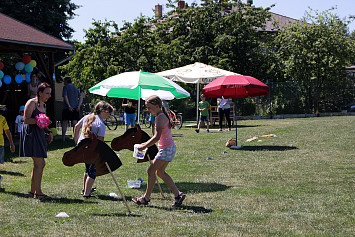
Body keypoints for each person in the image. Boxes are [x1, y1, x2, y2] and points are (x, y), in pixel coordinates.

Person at [132, 95, 185, 207]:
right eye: (146, 107)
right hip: (168, 148)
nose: (148, 110)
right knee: (160, 172)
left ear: (157, 106)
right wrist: (144, 144)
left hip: (166, 149)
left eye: (149, 107)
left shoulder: (160, 118)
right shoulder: (161, 115)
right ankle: (178, 195)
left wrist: (144, 146)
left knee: (151, 171)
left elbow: (157, 137)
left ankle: (146, 198)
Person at [19, 82, 53, 200]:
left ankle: (32, 192)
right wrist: (40, 121)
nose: (49, 96)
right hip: (31, 135)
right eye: (47, 93)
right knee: (39, 163)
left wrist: (48, 131)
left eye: (50, 94)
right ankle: (38, 193)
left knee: (40, 164)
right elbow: (26, 119)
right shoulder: (31, 103)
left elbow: (43, 122)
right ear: (40, 92)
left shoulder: (43, 105)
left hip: (39, 134)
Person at [73, 101, 113, 200]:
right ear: (103, 111)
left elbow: (76, 126)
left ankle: (85, 189)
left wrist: (76, 141)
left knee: (88, 169)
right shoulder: (101, 125)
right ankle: (86, 194)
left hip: (82, 148)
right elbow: (100, 142)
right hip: (92, 150)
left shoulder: (87, 117)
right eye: (108, 112)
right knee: (92, 172)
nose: (109, 115)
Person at [62, 77, 82, 142]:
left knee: (65, 122)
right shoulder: (75, 88)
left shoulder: (65, 87)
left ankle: (63, 138)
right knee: (75, 123)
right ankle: (75, 138)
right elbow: (81, 97)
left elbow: (65, 96)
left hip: (67, 108)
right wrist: (79, 106)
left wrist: (69, 105)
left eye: (64, 81)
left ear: (66, 81)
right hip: (76, 107)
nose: (63, 82)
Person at [0, 105, 16, 188]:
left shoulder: (2, 119)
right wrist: (11, 144)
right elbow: (7, 131)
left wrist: (12, 143)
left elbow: (7, 131)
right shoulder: (2, 118)